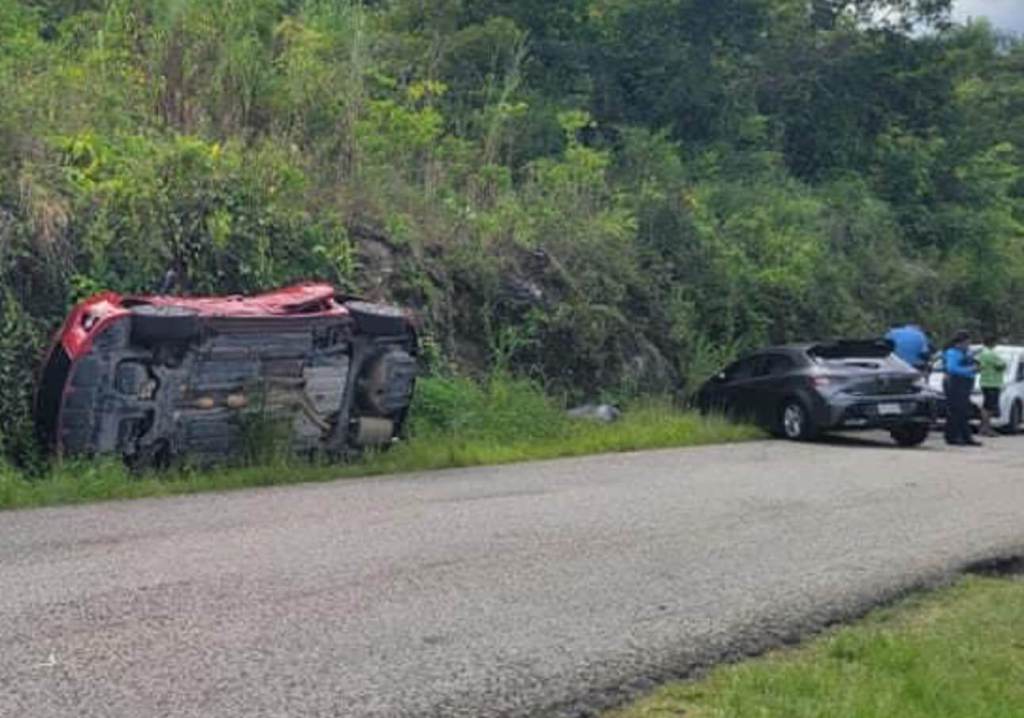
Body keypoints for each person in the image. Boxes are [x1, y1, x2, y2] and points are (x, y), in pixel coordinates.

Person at [944, 330, 981, 447]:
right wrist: (970, 370)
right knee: (956, 410)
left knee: (964, 411)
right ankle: (953, 436)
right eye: (966, 343)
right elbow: (952, 369)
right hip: (956, 383)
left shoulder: (966, 353)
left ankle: (966, 436)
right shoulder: (952, 353)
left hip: (966, 383)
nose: (968, 345)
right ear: (959, 343)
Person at [977, 335, 1007, 438]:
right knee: (989, 407)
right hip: (992, 382)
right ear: (993, 343)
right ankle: (986, 428)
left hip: (985, 382)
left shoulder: (981, 353)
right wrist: (1003, 365)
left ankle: (983, 428)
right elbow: (1001, 365)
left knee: (986, 406)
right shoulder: (990, 354)